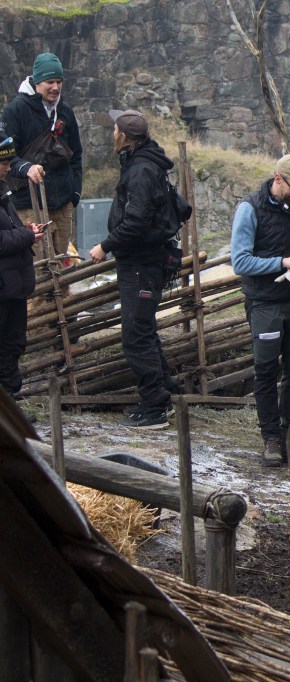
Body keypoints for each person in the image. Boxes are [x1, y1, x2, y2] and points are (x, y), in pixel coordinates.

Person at [88, 110, 179, 429]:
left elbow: (137, 222)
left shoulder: (141, 170)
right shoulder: (142, 162)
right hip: (143, 261)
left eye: (115, 129)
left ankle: (154, 407)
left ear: (124, 136)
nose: (112, 133)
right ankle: (162, 397)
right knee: (144, 329)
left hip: (142, 262)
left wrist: (105, 245)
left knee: (136, 335)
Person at [231, 154, 290, 466]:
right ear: (278, 178)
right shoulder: (249, 209)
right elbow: (240, 261)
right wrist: (283, 262)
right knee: (267, 371)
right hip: (264, 301)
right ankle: (271, 439)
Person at [0, 52, 83, 273]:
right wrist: (26, 168)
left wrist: (74, 194)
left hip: (63, 205)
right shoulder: (15, 111)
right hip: (29, 205)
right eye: (50, 82)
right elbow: (5, 154)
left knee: (62, 272)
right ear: (37, 81)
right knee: (37, 273)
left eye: (59, 82)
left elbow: (76, 155)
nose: (55, 87)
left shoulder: (65, 111)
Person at [0, 133, 46, 396]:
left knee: (13, 344)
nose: (8, 167)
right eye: (3, 163)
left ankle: (9, 408)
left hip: (12, 286)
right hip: (3, 287)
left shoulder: (3, 190)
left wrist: (24, 228)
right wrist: (27, 236)